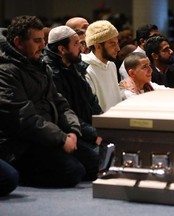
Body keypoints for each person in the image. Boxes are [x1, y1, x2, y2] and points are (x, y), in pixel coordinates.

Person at [0, 15, 89, 188]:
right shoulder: (6, 71)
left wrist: (72, 130)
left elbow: (60, 103)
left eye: (44, 40)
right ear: (18, 42)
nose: (43, 46)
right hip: (21, 143)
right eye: (37, 40)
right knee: (72, 172)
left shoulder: (40, 65)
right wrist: (61, 139)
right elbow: (24, 119)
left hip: (48, 135)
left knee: (93, 163)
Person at [41, 25, 104, 179]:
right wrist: (94, 133)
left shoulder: (77, 66)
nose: (81, 48)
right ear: (62, 49)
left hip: (86, 129)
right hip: (70, 131)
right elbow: (65, 111)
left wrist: (103, 127)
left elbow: (92, 101)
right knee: (98, 163)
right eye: (76, 43)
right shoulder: (50, 72)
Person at [82, 20, 122, 112]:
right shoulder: (86, 69)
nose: (118, 48)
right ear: (98, 46)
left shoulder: (111, 65)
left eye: (117, 43)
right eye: (112, 44)